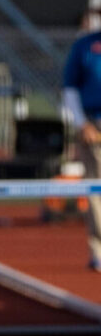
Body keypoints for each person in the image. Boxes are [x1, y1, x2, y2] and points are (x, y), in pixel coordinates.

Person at [62, 27, 101, 272]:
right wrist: (81, 123)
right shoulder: (85, 45)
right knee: (96, 187)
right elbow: (69, 86)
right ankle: (99, 250)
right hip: (93, 123)